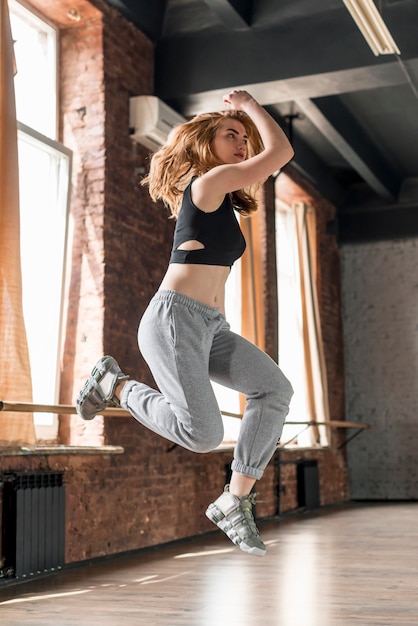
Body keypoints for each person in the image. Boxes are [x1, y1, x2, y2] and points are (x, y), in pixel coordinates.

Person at [76, 90, 294, 557]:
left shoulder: (220, 200)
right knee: (203, 434)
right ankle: (114, 384)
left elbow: (270, 158)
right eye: (231, 135)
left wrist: (242, 123)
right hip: (175, 318)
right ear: (203, 146)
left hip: (209, 326)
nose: (241, 143)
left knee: (274, 390)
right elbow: (281, 153)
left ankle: (234, 500)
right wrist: (251, 106)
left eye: (243, 137)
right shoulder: (206, 184)